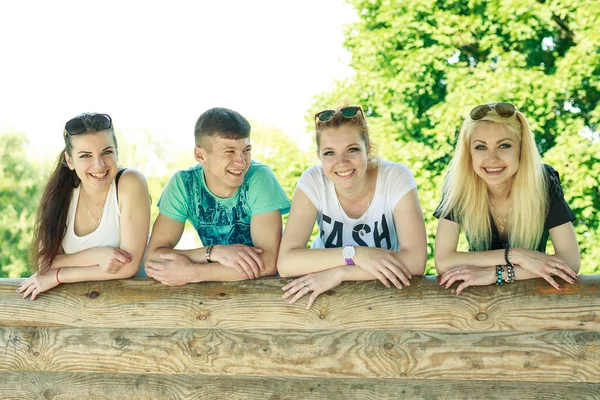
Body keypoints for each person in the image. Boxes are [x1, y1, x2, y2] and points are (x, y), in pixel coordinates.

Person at [278, 105, 427, 309]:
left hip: (380, 293)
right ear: (319, 156)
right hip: (323, 294)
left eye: (352, 149)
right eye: (329, 153)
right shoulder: (313, 181)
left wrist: (342, 272)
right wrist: (354, 254)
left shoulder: (395, 177)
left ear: (368, 149)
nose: (342, 162)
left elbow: (416, 262)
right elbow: (286, 263)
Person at [434, 102, 580, 294]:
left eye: (504, 145)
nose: (492, 158)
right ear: (469, 153)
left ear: (521, 149)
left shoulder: (543, 182)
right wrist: (517, 256)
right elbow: (443, 261)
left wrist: (498, 273)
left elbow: (570, 262)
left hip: (536, 299)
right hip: (478, 303)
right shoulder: (458, 184)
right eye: (480, 147)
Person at [145, 107, 290, 285]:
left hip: (269, 291)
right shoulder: (184, 184)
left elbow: (269, 263)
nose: (242, 162)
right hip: (218, 292)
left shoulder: (259, 177)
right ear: (200, 155)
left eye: (246, 150)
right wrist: (214, 252)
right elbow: (153, 259)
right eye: (229, 151)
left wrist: (194, 272)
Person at [18, 113, 151, 300]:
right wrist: (96, 256)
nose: (99, 164)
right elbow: (45, 263)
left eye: (107, 152)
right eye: (85, 156)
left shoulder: (130, 182)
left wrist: (59, 275)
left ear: (117, 152)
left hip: (142, 302)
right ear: (70, 160)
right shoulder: (61, 194)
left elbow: (129, 266)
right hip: (87, 306)